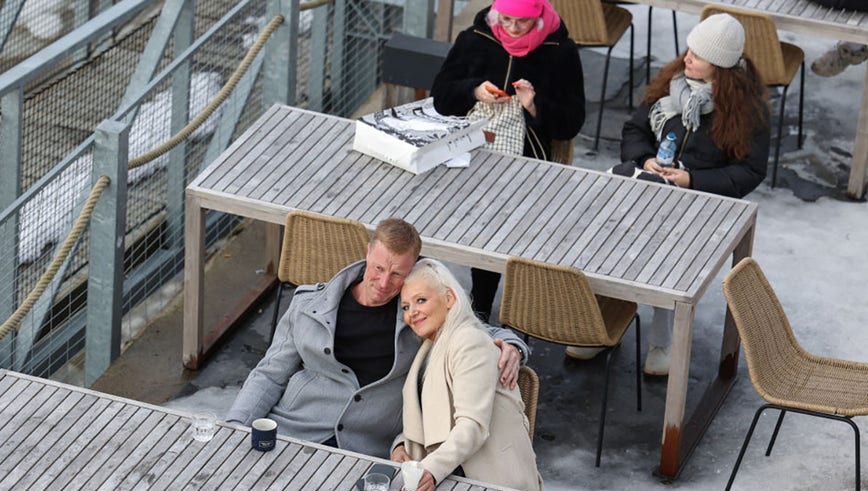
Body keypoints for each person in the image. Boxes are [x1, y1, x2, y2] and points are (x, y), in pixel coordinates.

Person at [569, 14, 770, 376]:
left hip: (701, 203)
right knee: (607, 235)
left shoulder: (746, 111)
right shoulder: (671, 84)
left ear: (721, 69)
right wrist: (644, 158)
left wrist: (692, 180)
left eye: (699, 54)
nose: (687, 57)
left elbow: (749, 172)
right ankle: (599, 324)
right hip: (649, 185)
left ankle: (663, 340)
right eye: (689, 48)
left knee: (665, 256)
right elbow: (634, 129)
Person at [226, 218, 529, 458]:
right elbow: (269, 375)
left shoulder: (418, 315)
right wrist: (235, 426)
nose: (384, 283)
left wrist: (513, 345)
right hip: (295, 431)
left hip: (370, 449)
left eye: (397, 275)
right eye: (379, 268)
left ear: (412, 270)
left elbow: (476, 329)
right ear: (368, 252)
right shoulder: (308, 305)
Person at [430, 0, 586, 321]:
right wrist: (474, 90)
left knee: (496, 220)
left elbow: (570, 123)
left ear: (539, 20)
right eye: (507, 20)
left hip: (526, 159)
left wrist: (534, 105)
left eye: (523, 23)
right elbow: (442, 97)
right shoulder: (474, 39)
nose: (512, 29)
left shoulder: (561, 52)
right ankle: (426, 294)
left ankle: (483, 306)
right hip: (464, 148)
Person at [390, 259, 542, 491]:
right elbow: (433, 413)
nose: (412, 312)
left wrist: (430, 469)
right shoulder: (429, 347)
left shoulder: (470, 341)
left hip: (494, 488)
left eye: (421, 300)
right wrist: (402, 444)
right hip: (453, 479)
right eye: (406, 307)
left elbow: (472, 426)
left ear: (449, 298)